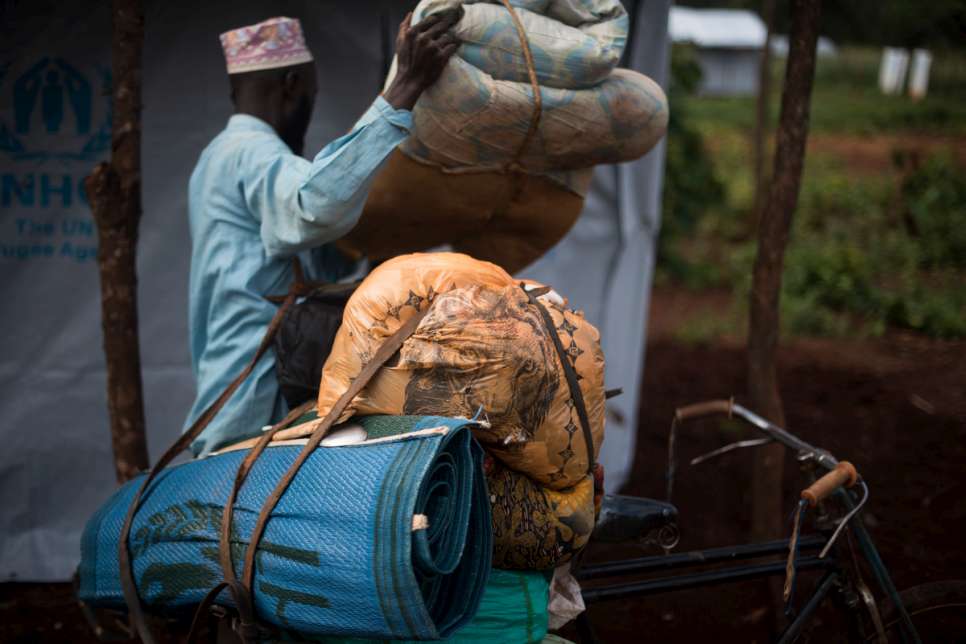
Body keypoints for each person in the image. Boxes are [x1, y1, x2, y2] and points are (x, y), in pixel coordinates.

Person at [185, 14, 459, 455]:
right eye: (311, 95)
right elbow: (315, 208)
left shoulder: (217, 159)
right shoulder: (250, 153)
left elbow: (318, 258)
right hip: (253, 400)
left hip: (246, 392)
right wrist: (404, 87)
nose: (310, 108)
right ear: (292, 84)